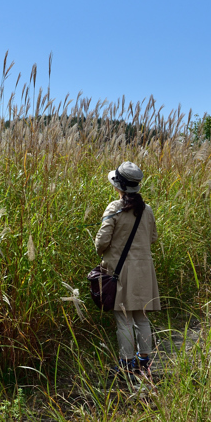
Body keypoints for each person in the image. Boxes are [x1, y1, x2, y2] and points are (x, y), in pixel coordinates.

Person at [94, 160, 160, 376]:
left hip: (119, 271)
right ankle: (144, 363)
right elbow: (153, 238)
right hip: (144, 271)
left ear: (118, 186)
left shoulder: (115, 207)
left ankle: (126, 364)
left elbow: (101, 241)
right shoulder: (147, 209)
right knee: (141, 317)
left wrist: (104, 250)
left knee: (123, 319)